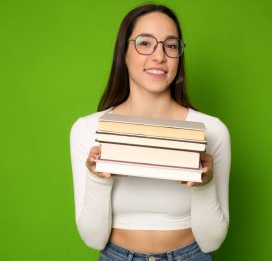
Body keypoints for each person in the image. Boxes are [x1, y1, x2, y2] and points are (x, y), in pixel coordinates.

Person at [70, 4, 231, 261]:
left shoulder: (211, 131)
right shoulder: (88, 130)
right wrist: (98, 179)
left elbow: (211, 241)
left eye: (170, 45)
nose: (159, 56)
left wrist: (204, 185)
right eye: (145, 43)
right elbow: (94, 239)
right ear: (124, 52)